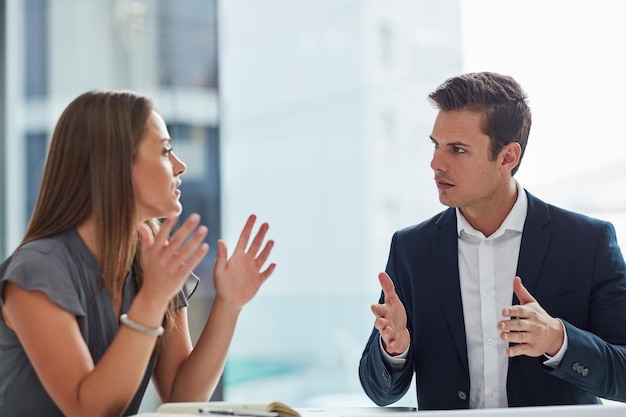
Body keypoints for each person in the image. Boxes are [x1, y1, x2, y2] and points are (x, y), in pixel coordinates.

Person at [359, 72, 626, 410]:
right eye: (436, 145)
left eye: (457, 149)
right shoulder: (411, 250)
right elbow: (379, 392)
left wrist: (559, 339)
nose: (436, 163)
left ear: (507, 157)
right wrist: (393, 352)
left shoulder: (586, 243)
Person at [0, 90, 276, 417]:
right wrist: (152, 298)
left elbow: (181, 398)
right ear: (115, 164)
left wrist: (229, 305)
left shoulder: (150, 261)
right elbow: (89, 411)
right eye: (166, 151)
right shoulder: (36, 271)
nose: (180, 165)